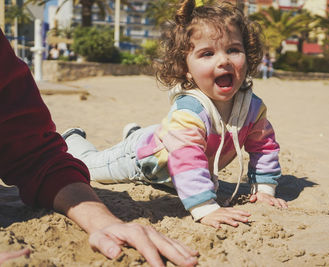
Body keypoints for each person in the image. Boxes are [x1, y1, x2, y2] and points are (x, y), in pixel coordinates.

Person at [63, 0, 288, 230]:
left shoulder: (252, 108)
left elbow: (264, 147)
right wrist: (206, 207)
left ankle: (135, 131)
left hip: (170, 158)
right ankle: (72, 138)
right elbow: (187, 157)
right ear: (185, 68)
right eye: (207, 53)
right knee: (88, 167)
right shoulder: (190, 112)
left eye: (233, 50)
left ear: (247, 54)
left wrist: (264, 190)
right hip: (141, 161)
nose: (223, 60)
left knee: (163, 140)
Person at [0, 29, 198, 267]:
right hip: (133, 156)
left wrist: (103, 222)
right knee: (99, 162)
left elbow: (34, 154)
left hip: (132, 149)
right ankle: (77, 138)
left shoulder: (249, 108)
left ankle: (81, 138)